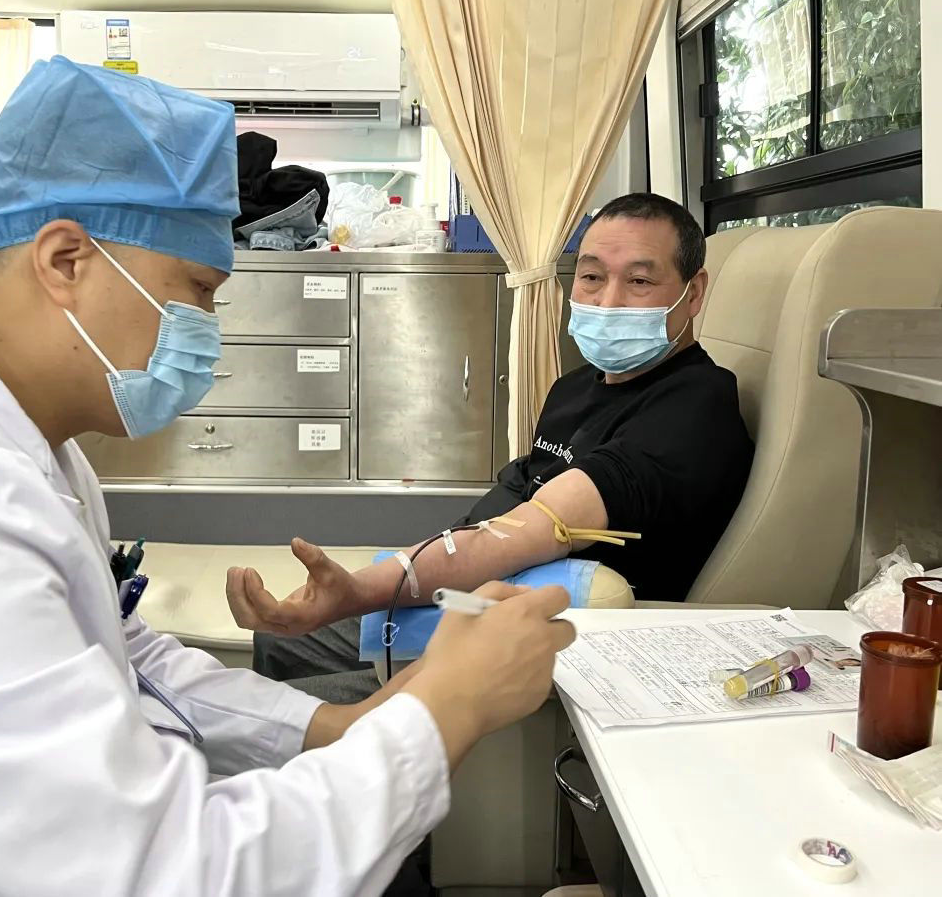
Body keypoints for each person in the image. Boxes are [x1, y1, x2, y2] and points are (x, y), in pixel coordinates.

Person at [0, 55, 575, 897]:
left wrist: (341, 724)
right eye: (197, 289)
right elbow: (161, 873)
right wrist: (451, 703)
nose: (207, 329)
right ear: (65, 261)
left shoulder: (49, 456)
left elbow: (127, 657)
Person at [235, 193, 755, 701]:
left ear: (693, 293)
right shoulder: (576, 388)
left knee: (288, 709)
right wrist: (419, 574)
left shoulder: (695, 408)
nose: (608, 301)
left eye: (639, 281)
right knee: (280, 641)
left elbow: (536, 527)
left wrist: (361, 591)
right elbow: (508, 500)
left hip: (562, 642)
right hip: (482, 600)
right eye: (593, 277)